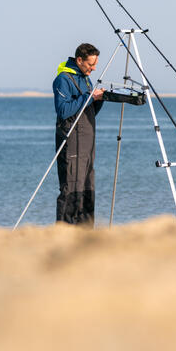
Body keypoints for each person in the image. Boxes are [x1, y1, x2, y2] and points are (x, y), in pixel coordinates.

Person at [52, 43, 106, 225]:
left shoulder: (86, 78)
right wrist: (89, 97)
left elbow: (86, 111)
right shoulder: (63, 79)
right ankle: (64, 231)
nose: (94, 68)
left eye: (95, 64)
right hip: (71, 141)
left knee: (87, 186)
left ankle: (86, 232)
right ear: (79, 60)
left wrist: (99, 100)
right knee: (71, 187)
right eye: (90, 65)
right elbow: (63, 110)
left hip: (87, 143)